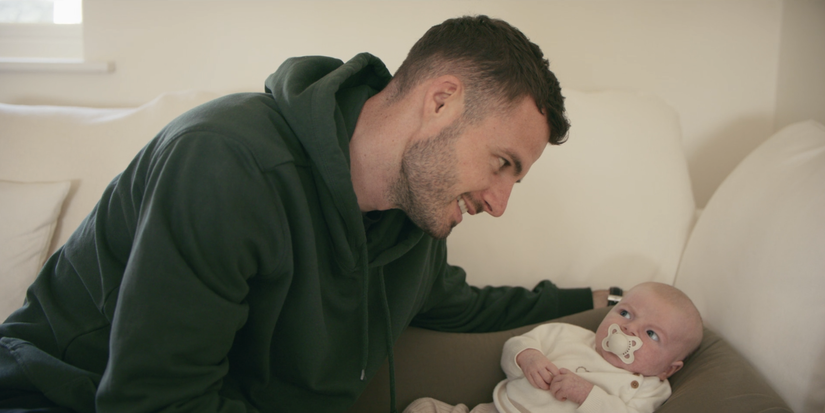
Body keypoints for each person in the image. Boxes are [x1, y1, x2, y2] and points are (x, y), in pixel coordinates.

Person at [0, 15, 608, 413]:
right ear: (442, 101)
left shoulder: (414, 225)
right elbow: (155, 403)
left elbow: (466, 305)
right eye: (502, 163)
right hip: (53, 395)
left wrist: (606, 300)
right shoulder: (225, 161)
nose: (500, 204)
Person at [403, 282, 704, 413]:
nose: (628, 328)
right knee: (423, 407)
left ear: (668, 369)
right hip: (494, 410)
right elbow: (518, 343)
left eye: (651, 333)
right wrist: (528, 357)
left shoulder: (649, 389)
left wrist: (586, 394)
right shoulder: (570, 335)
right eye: (625, 313)